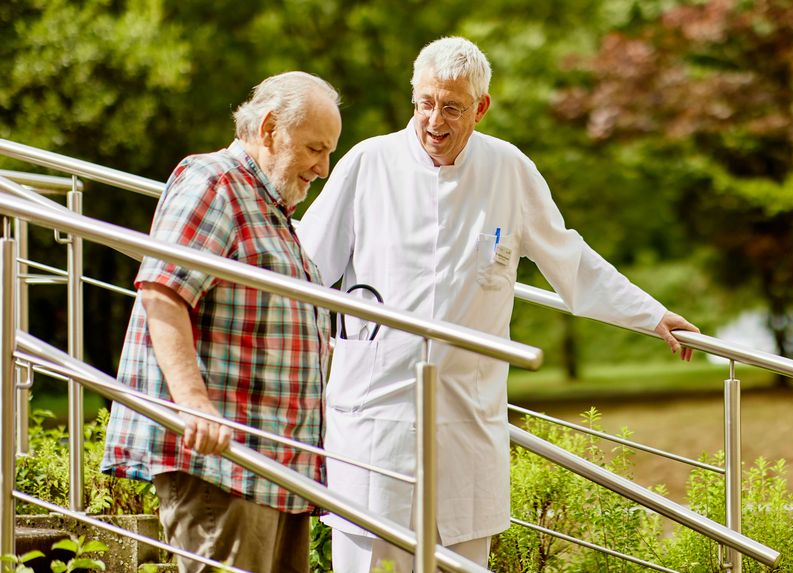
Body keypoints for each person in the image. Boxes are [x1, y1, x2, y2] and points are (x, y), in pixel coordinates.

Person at [297, 37, 698, 572]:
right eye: (425, 103)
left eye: (453, 107)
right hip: (376, 411)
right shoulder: (368, 162)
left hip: (466, 413)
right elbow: (303, 264)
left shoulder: (509, 169)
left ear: (481, 108)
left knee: (461, 563)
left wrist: (649, 314)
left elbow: (570, 261)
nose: (434, 121)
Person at [101, 71, 342, 573]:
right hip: (223, 466)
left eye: (329, 152)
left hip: (276, 469)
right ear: (271, 127)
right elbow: (163, 291)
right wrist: (194, 405)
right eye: (315, 149)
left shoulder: (270, 207)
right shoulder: (216, 183)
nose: (323, 167)